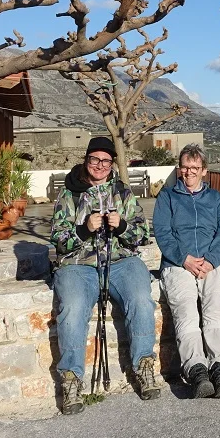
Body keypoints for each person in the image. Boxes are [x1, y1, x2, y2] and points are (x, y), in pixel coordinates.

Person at [50, 136, 159, 414]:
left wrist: (122, 226)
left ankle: (144, 366)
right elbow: (58, 240)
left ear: (112, 164)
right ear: (86, 160)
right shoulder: (70, 193)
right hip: (78, 264)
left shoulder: (122, 192)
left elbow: (142, 234)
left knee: (141, 299)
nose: (100, 165)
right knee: (72, 308)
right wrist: (83, 229)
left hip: (121, 261)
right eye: (94, 159)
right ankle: (71, 380)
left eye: (106, 161)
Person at [154, 144, 220, 400]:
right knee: (187, 312)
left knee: (214, 309)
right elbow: (163, 234)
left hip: (211, 263)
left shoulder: (215, 200)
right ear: (179, 169)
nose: (189, 172)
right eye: (185, 167)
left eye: (195, 168)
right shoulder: (167, 197)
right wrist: (185, 259)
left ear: (204, 171)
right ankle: (197, 370)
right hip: (178, 264)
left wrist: (210, 261)